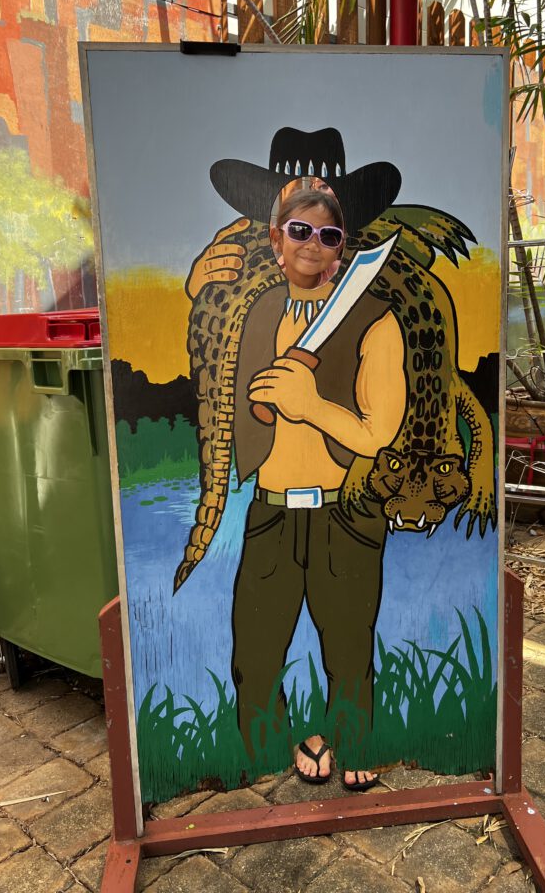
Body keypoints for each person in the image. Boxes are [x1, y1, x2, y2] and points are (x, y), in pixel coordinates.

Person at [201, 184, 406, 791]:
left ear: (341, 250)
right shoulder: (257, 311)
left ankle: (355, 743)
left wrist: (309, 405)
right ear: (276, 239)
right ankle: (268, 751)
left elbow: (378, 433)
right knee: (255, 654)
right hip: (270, 512)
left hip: (344, 516)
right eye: (300, 231)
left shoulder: (374, 319)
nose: (313, 244)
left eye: (328, 235)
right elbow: (212, 345)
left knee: (348, 652)